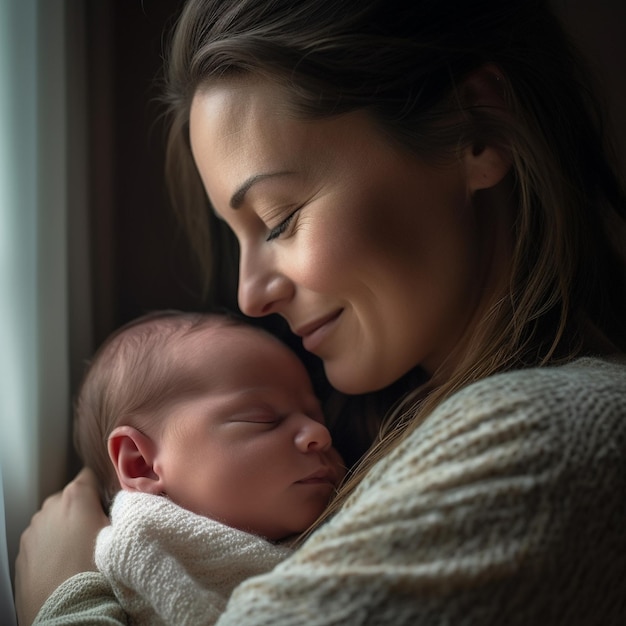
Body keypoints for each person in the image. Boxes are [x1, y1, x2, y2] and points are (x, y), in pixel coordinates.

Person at [16, 0, 626, 624]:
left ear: (475, 131)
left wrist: (66, 594)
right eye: (237, 237)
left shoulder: (537, 442)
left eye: (280, 219)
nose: (251, 296)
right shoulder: (371, 446)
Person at [72, 310, 345, 624]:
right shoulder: (143, 547)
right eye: (263, 419)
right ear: (141, 464)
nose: (319, 434)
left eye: (317, 418)